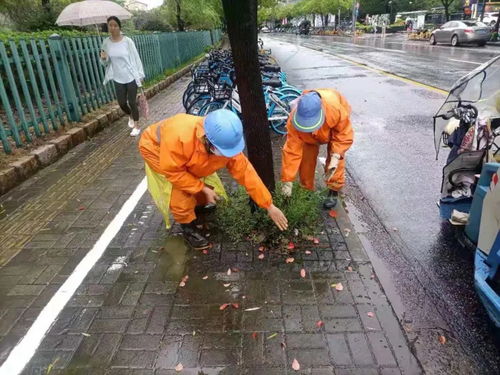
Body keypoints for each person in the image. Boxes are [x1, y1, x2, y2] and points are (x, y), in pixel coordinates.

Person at [139, 109, 288, 250]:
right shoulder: (180, 137)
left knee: (195, 181)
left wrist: (269, 205)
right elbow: (174, 172)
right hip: (155, 148)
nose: (225, 155)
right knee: (180, 190)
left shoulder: (226, 141)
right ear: (206, 139)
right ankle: (188, 227)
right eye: (222, 151)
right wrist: (201, 187)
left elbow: (247, 174)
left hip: (185, 152)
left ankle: (197, 207)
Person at [281, 90, 354, 209]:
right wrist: (287, 181)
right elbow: (291, 151)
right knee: (306, 160)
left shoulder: (335, 109)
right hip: (307, 137)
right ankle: (306, 189)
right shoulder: (293, 120)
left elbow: (343, 134)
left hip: (331, 128)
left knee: (335, 162)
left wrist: (336, 156)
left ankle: (333, 190)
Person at [100, 16, 145, 137]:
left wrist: (140, 75)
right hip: (117, 77)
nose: (113, 27)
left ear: (119, 26)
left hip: (131, 76)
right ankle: (130, 115)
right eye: (110, 25)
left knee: (131, 101)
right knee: (121, 103)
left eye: (115, 25)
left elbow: (136, 57)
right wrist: (103, 59)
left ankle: (136, 126)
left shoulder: (127, 41)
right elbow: (105, 63)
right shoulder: (106, 43)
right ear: (108, 27)